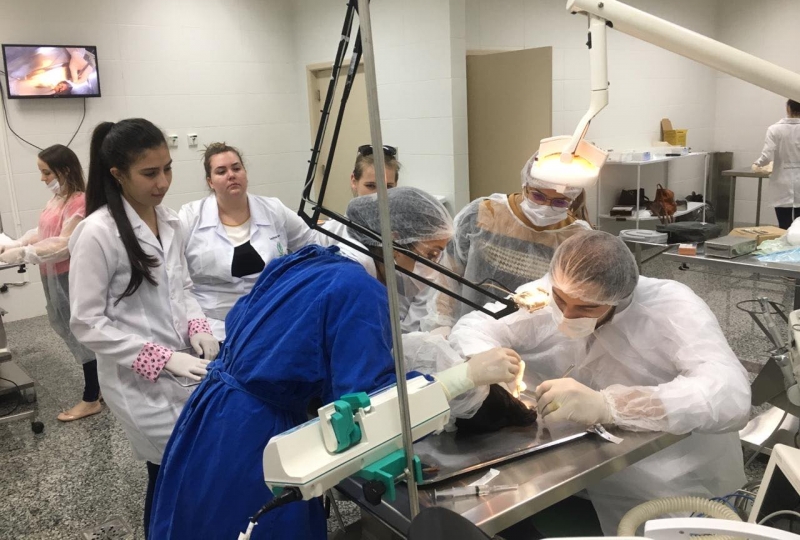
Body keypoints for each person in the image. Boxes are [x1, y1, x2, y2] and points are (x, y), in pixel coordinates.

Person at [149, 187, 523, 540]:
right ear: (394, 244)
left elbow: (265, 331)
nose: (434, 268)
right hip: (253, 436)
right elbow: (370, 412)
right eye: (431, 254)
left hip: (210, 414)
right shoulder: (360, 291)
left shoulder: (308, 260)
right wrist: (463, 376)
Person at [446, 230, 751, 534]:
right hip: (579, 467)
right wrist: (484, 358)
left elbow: (729, 394)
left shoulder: (672, 306)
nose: (567, 315)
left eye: (587, 308)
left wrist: (611, 405)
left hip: (670, 476)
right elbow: (477, 324)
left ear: (619, 298)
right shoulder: (554, 290)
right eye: (561, 301)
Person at [68, 119, 219, 539]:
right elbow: (86, 322)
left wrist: (198, 327)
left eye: (167, 168)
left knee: (191, 466)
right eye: (150, 173)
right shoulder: (97, 233)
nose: (163, 182)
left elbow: (182, 287)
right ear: (118, 174)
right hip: (138, 383)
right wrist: (162, 358)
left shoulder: (170, 222)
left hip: (185, 367)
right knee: (168, 468)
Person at [421, 151, 592, 330]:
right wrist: (441, 323)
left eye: (559, 202)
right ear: (525, 185)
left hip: (536, 335)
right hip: (472, 330)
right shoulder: (484, 214)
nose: (545, 207)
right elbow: (448, 274)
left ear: (572, 200)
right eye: (538, 196)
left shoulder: (577, 238)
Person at [180, 143, 325, 341]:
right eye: (221, 171)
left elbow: (312, 245)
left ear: (245, 173)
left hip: (272, 316)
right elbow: (174, 276)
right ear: (210, 182)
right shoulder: (190, 217)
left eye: (236, 168)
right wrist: (197, 325)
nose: (231, 175)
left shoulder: (273, 209)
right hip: (215, 325)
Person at [0, 145, 100, 422]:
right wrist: (17, 243)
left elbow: (63, 244)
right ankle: (100, 385)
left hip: (69, 275)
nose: (42, 179)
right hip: (51, 274)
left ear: (64, 170)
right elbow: (44, 231)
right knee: (67, 328)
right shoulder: (58, 199)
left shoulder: (80, 202)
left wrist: (22, 253)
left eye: (46, 173)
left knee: (82, 333)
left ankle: (92, 397)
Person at [753, 98, 800, 229]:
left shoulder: (774, 129)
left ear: (788, 109)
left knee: (784, 225)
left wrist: (757, 164)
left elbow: (767, 156)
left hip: (782, 182)